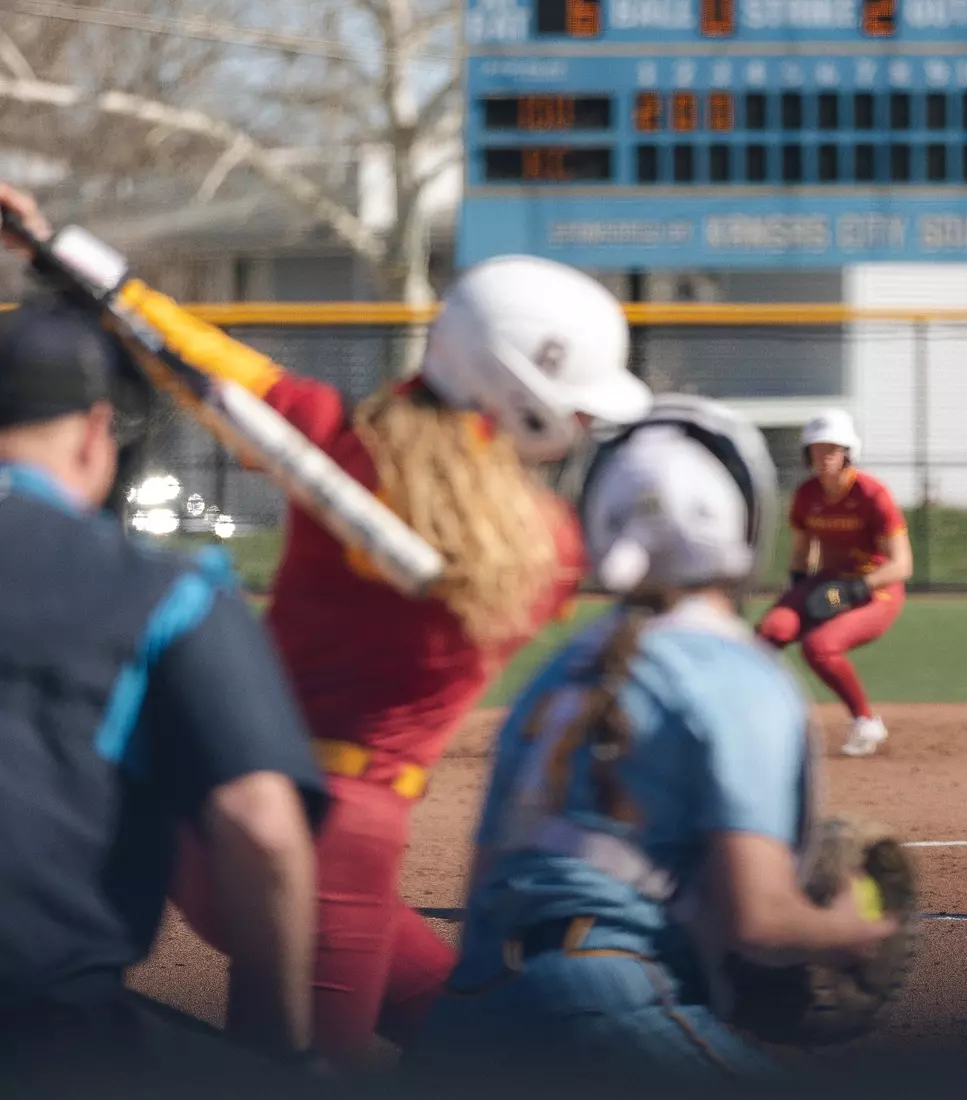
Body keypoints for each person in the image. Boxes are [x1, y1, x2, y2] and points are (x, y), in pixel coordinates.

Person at [0, 184, 653, 1068]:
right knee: (296, 1071)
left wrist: (56, 245)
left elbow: (192, 356)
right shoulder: (548, 549)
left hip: (220, 820)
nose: (579, 423)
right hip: (335, 853)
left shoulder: (335, 442)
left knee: (482, 1030)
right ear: (522, 391)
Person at [418, 396, 897, 1085]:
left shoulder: (554, 674)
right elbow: (759, 922)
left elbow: (484, 888)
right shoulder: (737, 672)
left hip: (466, 1023)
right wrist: (848, 931)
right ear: (742, 519)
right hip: (606, 1002)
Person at [0, 284, 327, 1090]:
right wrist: (275, 1052)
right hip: (46, 1033)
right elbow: (262, 828)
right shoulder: (161, 588)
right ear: (96, 435)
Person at [756, 409, 912, 757]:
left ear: (847, 452)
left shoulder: (872, 494)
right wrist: (797, 595)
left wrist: (854, 589)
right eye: (816, 448)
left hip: (876, 591)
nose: (823, 456)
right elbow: (801, 555)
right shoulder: (808, 494)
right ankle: (754, 721)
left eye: (832, 448)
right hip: (827, 582)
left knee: (819, 647)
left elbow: (902, 565)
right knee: (767, 634)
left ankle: (866, 722)